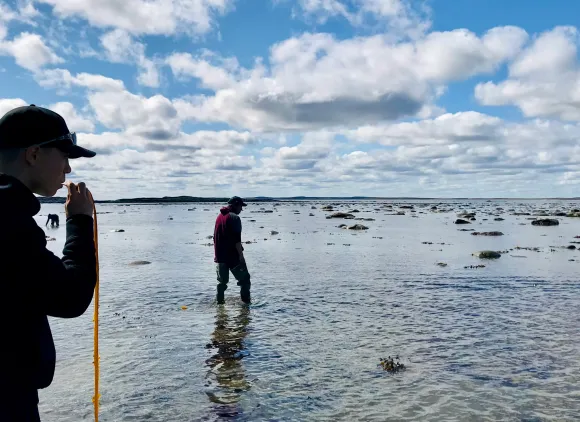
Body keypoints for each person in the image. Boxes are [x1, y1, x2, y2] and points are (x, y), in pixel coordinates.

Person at [0, 104, 98, 421]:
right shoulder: (8, 220)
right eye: (64, 156)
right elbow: (70, 296)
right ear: (33, 155)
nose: (68, 169)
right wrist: (80, 222)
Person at [213, 196, 251, 304]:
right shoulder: (235, 218)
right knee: (245, 280)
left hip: (220, 256)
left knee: (222, 283)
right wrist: (241, 257)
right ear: (235, 205)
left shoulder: (219, 217)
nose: (241, 209)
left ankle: (219, 305)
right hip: (233, 256)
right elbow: (237, 240)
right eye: (240, 206)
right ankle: (246, 306)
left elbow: (215, 237)